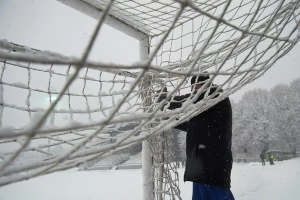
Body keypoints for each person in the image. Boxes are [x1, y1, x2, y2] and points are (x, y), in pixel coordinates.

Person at [158, 74, 234, 200]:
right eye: (192, 87)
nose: (194, 90)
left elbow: (189, 100)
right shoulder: (203, 109)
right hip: (201, 168)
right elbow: (192, 127)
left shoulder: (215, 95)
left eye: (197, 86)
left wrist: (164, 100)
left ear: (206, 84)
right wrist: (169, 120)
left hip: (213, 167)